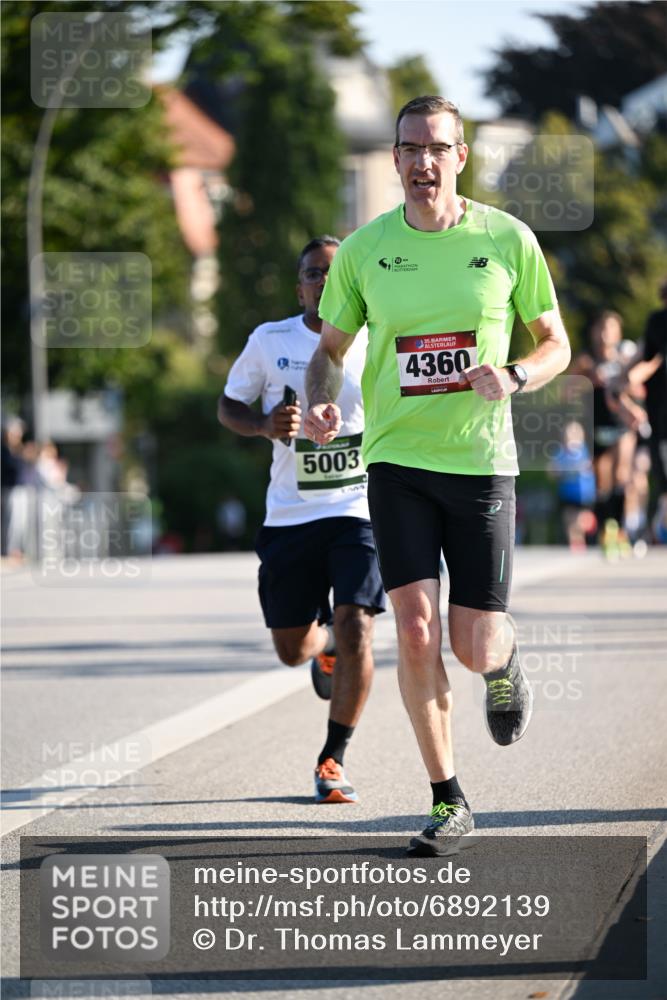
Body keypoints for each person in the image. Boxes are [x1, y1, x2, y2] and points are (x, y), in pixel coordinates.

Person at [304, 96, 571, 854]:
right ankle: (447, 799)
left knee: (471, 642)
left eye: (436, 148)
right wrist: (321, 408)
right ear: (393, 160)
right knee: (415, 630)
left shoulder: (506, 240)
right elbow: (328, 353)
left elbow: (555, 343)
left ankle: (503, 661)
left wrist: (516, 376)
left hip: (481, 463)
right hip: (395, 461)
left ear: (460, 157)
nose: (422, 162)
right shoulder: (362, 250)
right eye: (408, 148)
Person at [218, 235, 385, 804]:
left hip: (359, 509)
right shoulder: (270, 341)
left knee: (360, 622)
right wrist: (265, 425)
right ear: (300, 287)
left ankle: (333, 757)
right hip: (291, 516)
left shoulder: (379, 337)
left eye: (333, 273)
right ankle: (324, 646)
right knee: (292, 649)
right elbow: (228, 406)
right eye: (313, 273)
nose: (323, 281)